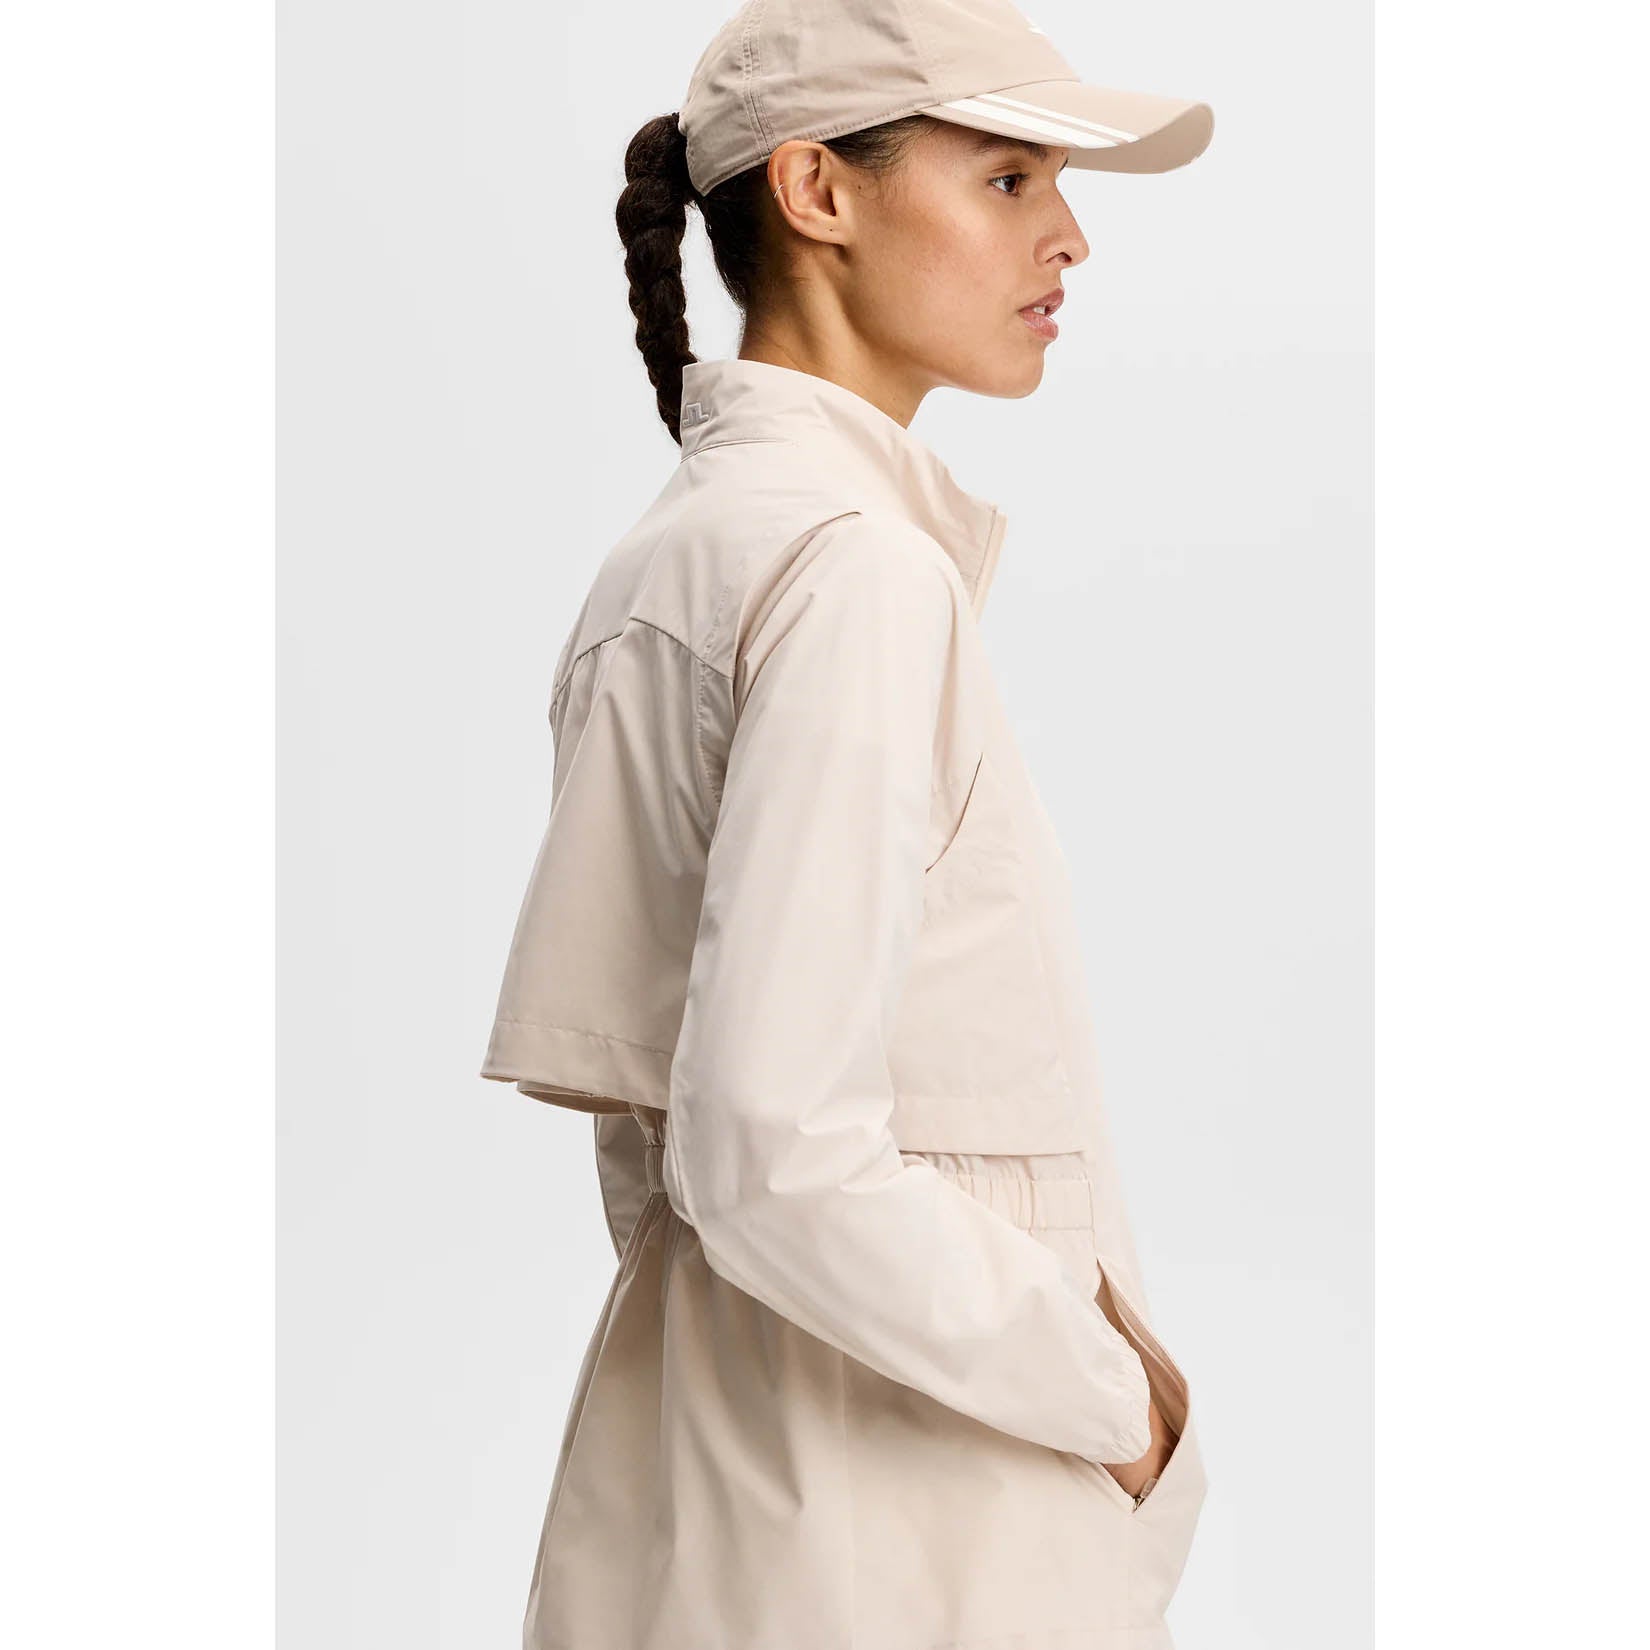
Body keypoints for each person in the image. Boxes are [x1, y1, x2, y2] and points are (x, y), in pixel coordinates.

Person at [477, 2, 1214, 1645]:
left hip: (714, 1472)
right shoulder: (855, 571)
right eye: (1008, 178)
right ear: (817, 191)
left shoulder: (671, 557)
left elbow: (656, 1145)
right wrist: (1116, 1396)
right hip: (911, 1509)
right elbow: (767, 1148)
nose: (1068, 237)